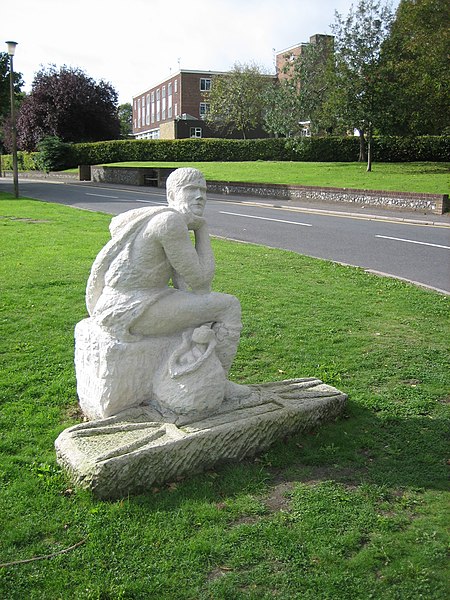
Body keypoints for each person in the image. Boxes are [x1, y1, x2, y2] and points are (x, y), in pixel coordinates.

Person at [86, 167, 242, 376]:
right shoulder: (169, 222)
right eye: (191, 189)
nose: (200, 197)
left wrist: (198, 306)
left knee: (204, 305)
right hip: (132, 309)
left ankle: (203, 371)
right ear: (171, 195)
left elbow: (184, 281)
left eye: (203, 191)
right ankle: (220, 381)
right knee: (229, 306)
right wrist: (202, 229)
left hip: (125, 302)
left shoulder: (158, 218)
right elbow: (201, 281)